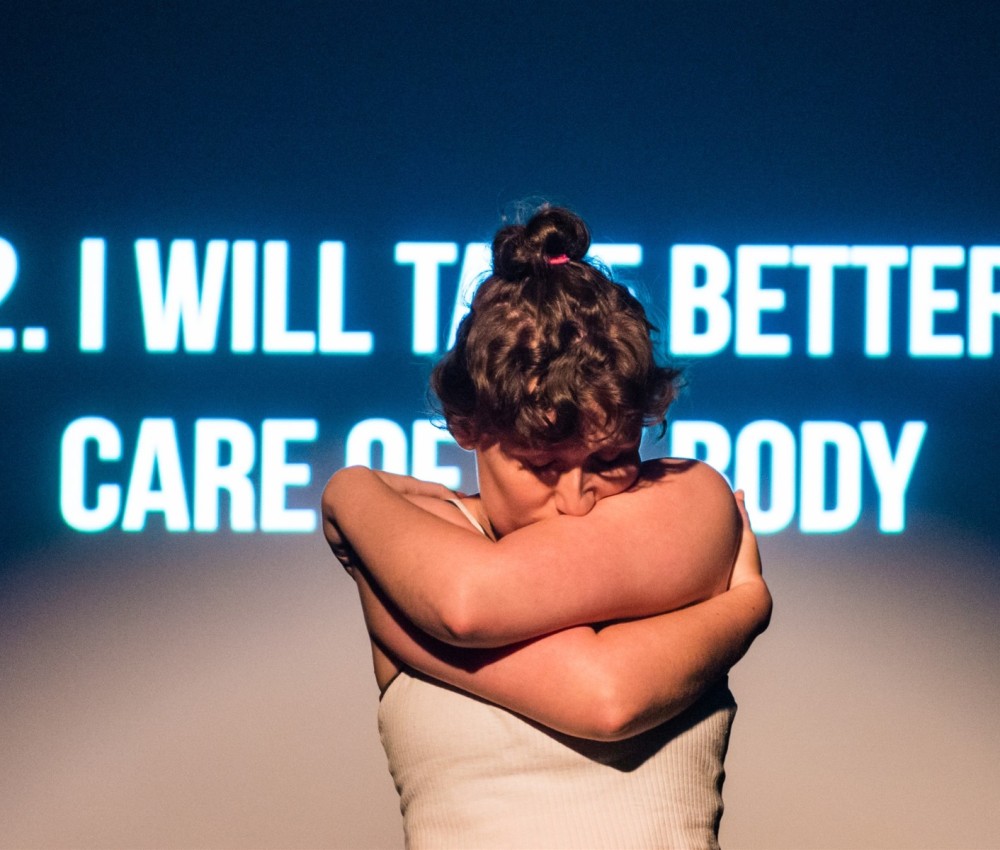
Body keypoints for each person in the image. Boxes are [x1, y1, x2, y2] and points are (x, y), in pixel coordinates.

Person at [323, 205, 771, 849]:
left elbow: (605, 699)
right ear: (467, 428)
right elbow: (471, 606)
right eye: (542, 466)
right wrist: (347, 486)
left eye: (611, 459)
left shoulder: (688, 494)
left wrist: (349, 497)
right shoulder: (424, 529)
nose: (578, 501)